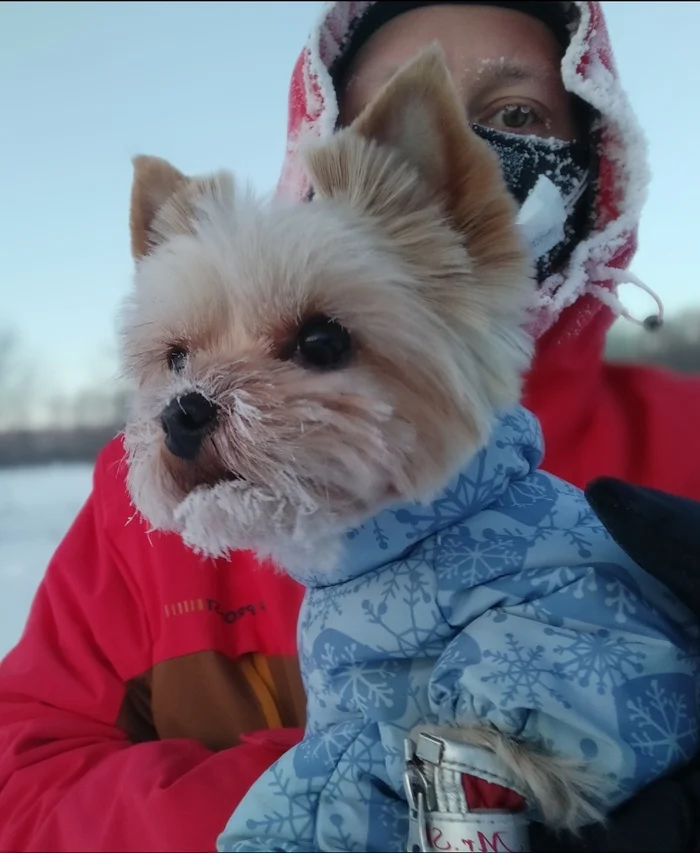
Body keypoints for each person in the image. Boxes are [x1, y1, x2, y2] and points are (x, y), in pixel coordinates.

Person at [0, 2, 698, 852]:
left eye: (518, 115)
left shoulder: (680, 432)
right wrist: (324, 800)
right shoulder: (131, 503)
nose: (197, 396)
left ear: (598, 145)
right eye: (178, 355)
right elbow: (22, 773)